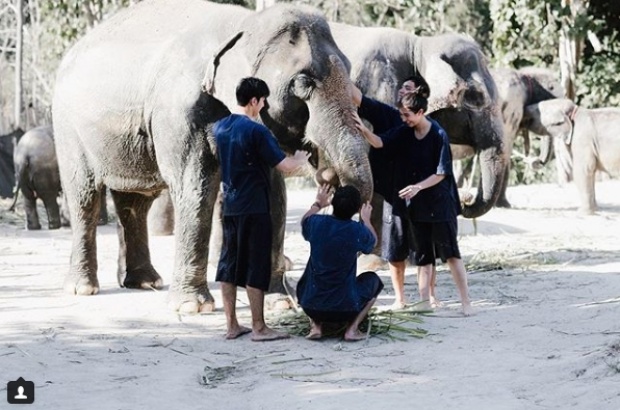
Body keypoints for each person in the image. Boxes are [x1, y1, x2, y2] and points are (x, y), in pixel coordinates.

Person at [354, 89, 473, 316]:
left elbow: (441, 173)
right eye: (402, 115)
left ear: (420, 112)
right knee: (423, 256)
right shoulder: (405, 131)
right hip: (417, 205)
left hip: (440, 205)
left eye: (407, 115)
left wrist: (418, 187)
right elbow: (380, 143)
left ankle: (466, 302)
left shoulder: (438, 135)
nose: (403, 119)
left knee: (451, 254)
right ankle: (424, 302)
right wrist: (362, 129)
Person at [214, 77, 310, 341]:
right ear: (254, 101)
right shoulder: (257, 131)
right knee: (256, 266)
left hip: (230, 206)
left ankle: (232, 325)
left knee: (229, 266)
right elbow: (285, 166)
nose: (264, 105)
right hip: (255, 207)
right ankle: (259, 327)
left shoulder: (220, 127)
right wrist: (300, 159)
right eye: (263, 100)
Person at [351, 76, 439, 309]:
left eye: (408, 89)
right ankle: (401, 299)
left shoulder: (434, 130)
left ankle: (427, 297)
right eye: (401, 88)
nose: (401, 91)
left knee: (425, 249)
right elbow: (360, 102)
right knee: (395, 248)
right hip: (396, 194)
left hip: (423, 195)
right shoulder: (391, 117)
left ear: (420, 99)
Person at [296, 184, 384, 341]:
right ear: (357, 209)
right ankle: (352, 329)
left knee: (305, 282)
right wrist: (366, 220)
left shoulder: (316, 223)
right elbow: (373, 243)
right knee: (374, 281)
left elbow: (304, 221)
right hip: (346, 307)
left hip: (311, 306)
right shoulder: (357, 230)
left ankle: (316, 326)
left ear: (332, 203)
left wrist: (318, 204)